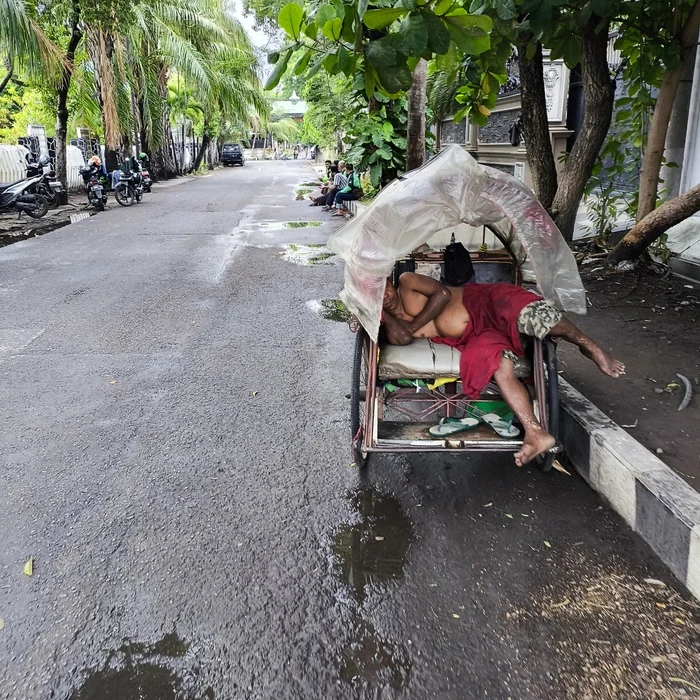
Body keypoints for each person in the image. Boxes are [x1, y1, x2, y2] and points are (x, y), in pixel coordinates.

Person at [382, 272, 625, 466]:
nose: (385, 296)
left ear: (392, 281)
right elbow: (403, 338)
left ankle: (589, 346)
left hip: (485, 302)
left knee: (529, 314)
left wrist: (413, 325)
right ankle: (535, 431)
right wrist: (382, 315)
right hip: (477, 335)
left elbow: (443, 294)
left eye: (386, 288)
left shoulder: (407, 281)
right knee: (500, 370)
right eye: (376, 295)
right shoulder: (391, 322)